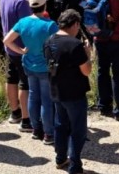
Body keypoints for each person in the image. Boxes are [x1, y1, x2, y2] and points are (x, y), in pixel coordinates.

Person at [3, 0, 58, 143]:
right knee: (46, 100)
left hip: (28, 65)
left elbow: (7, 40)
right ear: (44, 5)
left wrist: (20, 51)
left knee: (33, 97)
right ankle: (48, 134)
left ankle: (36, 130)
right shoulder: (50, 25)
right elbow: (57, 45)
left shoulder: (23, 22)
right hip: (45, 67)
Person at [46, 9, 92, 174]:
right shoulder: (75, 44)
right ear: (76, 24)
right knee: (77, 130)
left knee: (60, 125)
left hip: (56, 91)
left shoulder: (49, 41)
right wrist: (88, 54)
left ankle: (60, 159)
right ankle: (75, 166)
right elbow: (86, 71)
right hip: (74, 94)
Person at [0, 0, 33, 131]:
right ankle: (26, 121)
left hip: (9, 47)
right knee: (24, 84)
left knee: (11, 79)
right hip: (21, 49)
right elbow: (27, 28)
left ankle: (15, 113)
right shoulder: (22, 2)